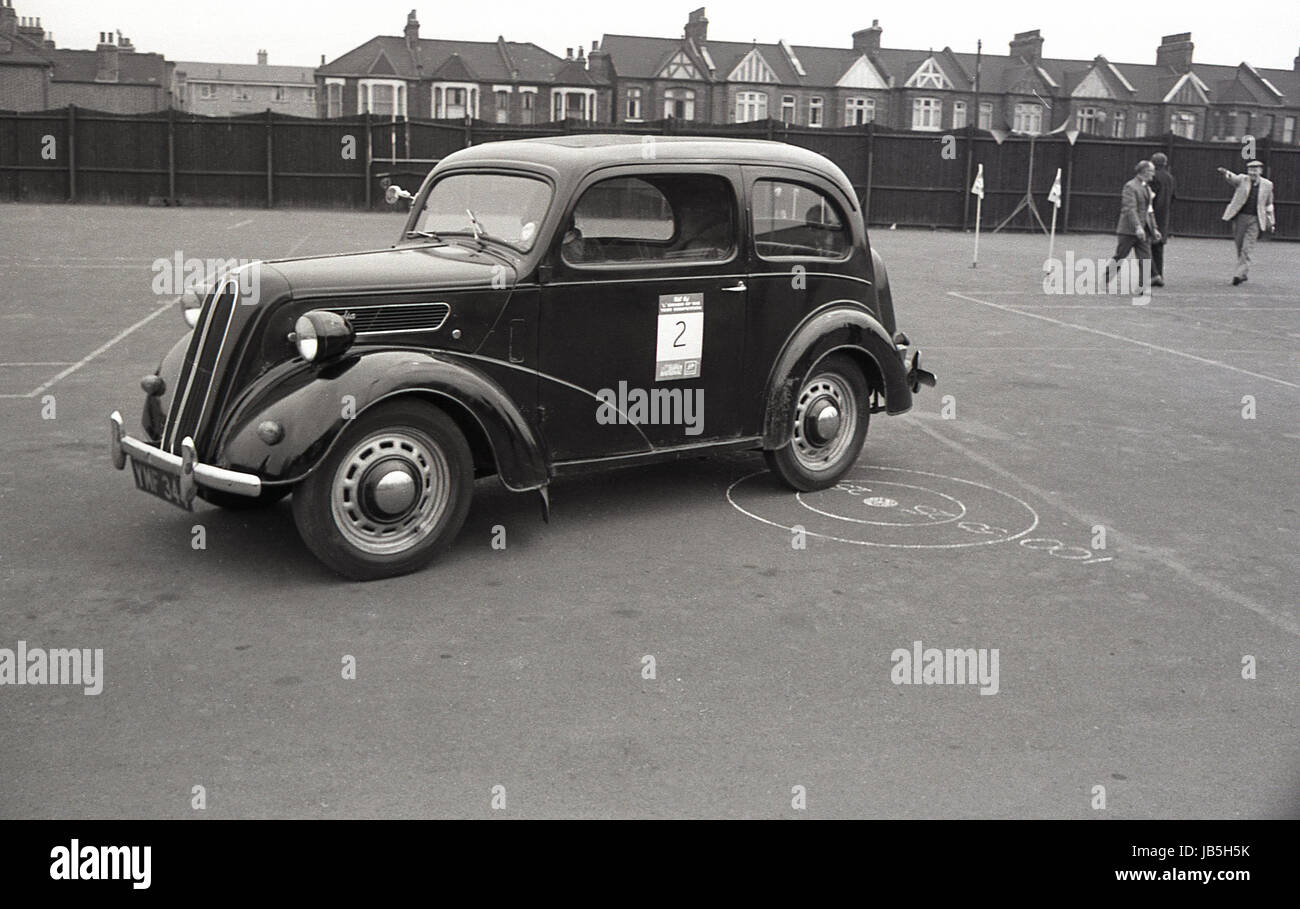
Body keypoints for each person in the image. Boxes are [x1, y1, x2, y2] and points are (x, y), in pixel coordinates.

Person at [1105, 160, 1160, 295]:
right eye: (1151, 171)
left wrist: (1155, 228)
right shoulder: (1130, 186)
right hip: (1128, 231)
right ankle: (1105, 279)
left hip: (1144, 230)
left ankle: (1142, 287)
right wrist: (1137, 227)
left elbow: (1149, 210)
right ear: (1144, 172)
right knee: (1120, 256)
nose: (1153, 174)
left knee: (1146, 258)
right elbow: (1130, 209)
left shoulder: (1147, 187)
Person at [1217, 161, 1276, 285]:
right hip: (1240, 218)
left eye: (1255, 170)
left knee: (1247, 248)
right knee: (1239, 246)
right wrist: (1225, 172)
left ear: (1261, 171)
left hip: (1255, 220)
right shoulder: (1242, 179)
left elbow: (1269, 204)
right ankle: (1243, 272)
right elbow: (1232, 178)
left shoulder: (1268, 185)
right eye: (1250, 170)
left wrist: (1271, 221)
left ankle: (1238, 275)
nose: (1252, 173)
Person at [1148, 153, 1175, 286]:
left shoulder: (1152, 177)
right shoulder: (1170, 177)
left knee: (1146, 245)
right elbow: (1173, 197)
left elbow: (1149, 197)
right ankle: (1159, 274)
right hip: (1164, 215)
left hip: (1151, 214)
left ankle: (1154, 274)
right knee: (1158, 247)